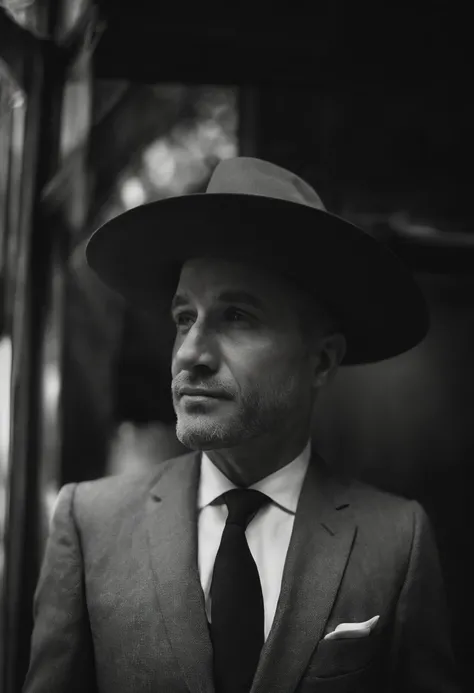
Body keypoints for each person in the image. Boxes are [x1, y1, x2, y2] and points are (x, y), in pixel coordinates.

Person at [23, 157, 461, 693]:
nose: (191, 353)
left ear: (320, 362)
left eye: (237, 317)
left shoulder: (396, 540)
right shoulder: (90, 524)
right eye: (184, 318)